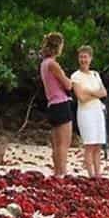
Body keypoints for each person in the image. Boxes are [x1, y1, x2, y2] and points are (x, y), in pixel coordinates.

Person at [38, 31, 74, 177]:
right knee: (64, 144)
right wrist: (72, 81)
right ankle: (62, 173)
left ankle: (57, 172)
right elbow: (68, 85)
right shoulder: (53, 64)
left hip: (51, 104)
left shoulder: (44, 64)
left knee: (56, 143)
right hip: (61, 104)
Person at [70, 45, 108, 178]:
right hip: (86, 113)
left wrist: (90, 92)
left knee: (98, 145)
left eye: (85, 57)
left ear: (90, 58)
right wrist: (95, 93)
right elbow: (81, 97)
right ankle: (91, 174)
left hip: (97, 111)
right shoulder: (76, 76)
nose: (83, 60)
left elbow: (104, 92)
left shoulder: (95, 74)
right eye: (81, 57)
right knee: (89, 144)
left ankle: (98, 173)